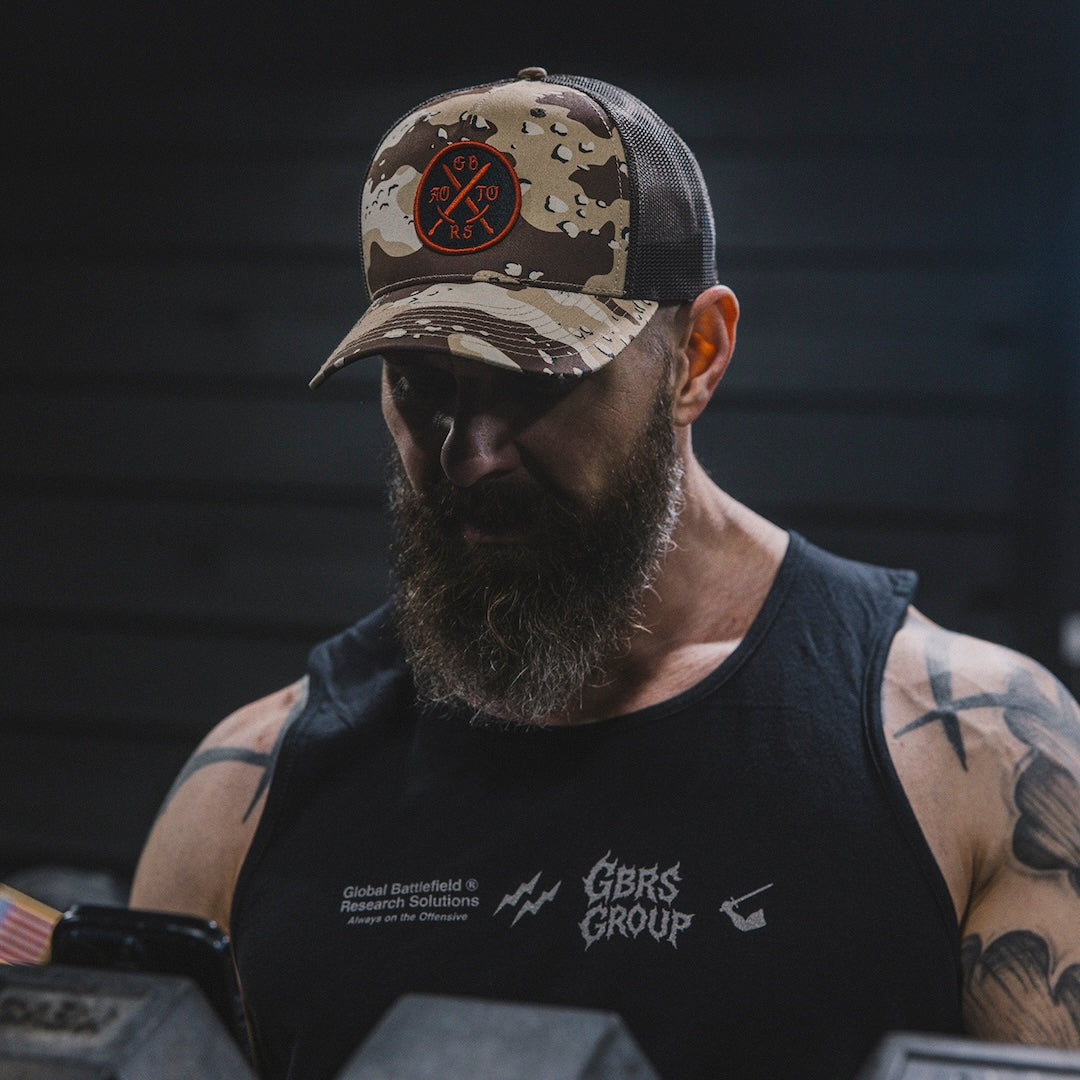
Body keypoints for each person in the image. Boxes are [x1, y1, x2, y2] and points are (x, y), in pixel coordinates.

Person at [129, 68, 1080, 1079]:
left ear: (698, 355)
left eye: (536, 383)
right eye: (421, 387)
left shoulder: (978, 761)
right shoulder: (248, 792)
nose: (473, 453)